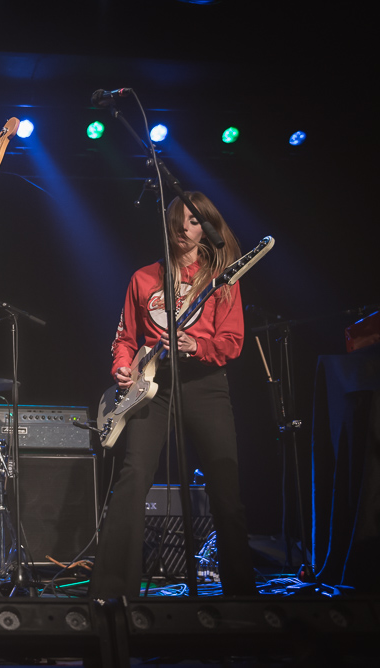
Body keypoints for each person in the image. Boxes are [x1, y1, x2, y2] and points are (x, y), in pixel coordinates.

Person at [88, 191, 257, 599]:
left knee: (225, 487)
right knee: (134, 477)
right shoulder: (144, 278)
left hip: (205, 385)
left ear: (207, 228)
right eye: (178, 220)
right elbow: (125, 338)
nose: (185, 228)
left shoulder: (221, 279)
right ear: (167, 224)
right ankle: (111, 595)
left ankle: (243, 600)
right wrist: (122, 369)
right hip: (154, 387)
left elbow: (232, 341)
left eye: (195, 221)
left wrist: (195, 347)